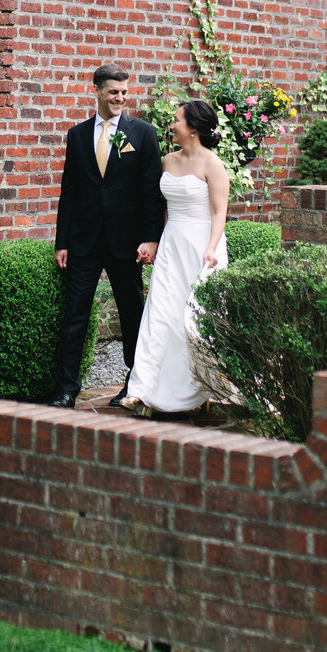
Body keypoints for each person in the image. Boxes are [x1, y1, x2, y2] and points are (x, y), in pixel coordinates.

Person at [51, 62, 164, 409]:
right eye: (113, 92)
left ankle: (134, 383)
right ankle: (67, 389)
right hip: (84, 241)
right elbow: (69, 190)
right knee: (75, 314)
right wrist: (63, 241)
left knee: (133, 312)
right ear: (97, 90)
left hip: (126, 243)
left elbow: (151, 190)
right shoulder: (78, 135)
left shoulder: (142, 133)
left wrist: (151, 238)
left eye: (124, 93)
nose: (120, 98)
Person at [120, 98, 229, 416]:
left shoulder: (213, 164)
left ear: (193, 128)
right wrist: (154, 242)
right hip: (172, 246)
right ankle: (143, 390)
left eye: (177, 120)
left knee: (194, 320)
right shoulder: (167, 161)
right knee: (159, 316)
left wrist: (211, 247)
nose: (172, 125)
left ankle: (205, 389)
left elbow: (220, 211)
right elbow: (161, 209)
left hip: (202, 248)